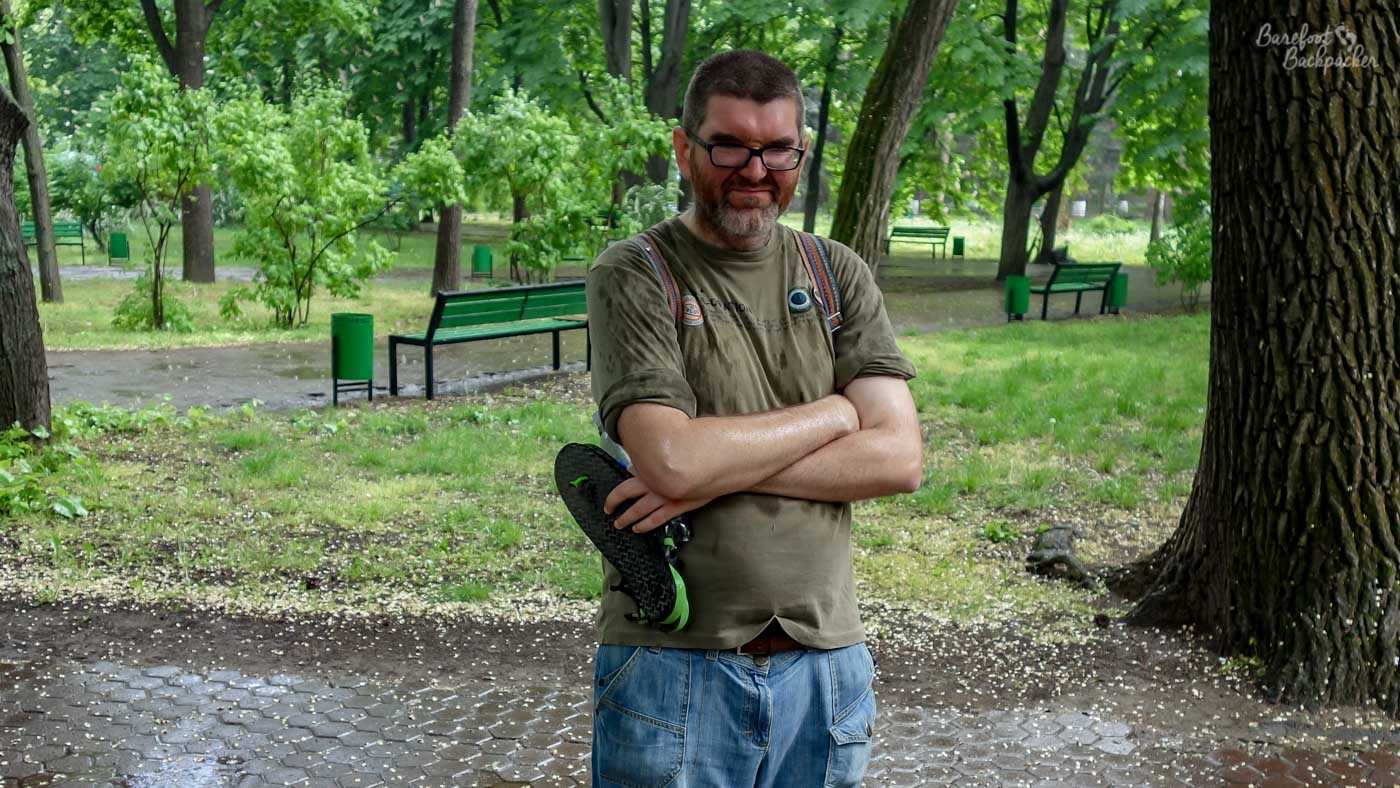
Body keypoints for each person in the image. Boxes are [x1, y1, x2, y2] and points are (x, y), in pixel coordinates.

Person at [584, 48, 922, 787]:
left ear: (802, 151)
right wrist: (838, 411)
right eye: (730, 145)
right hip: (671, 669)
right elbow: (670, 459)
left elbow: (899, 458)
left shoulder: (837, 274)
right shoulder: (636, 273)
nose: (756, 170)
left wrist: (715, 471)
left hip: (827, 668)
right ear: (684, 149)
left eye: (778, 149)